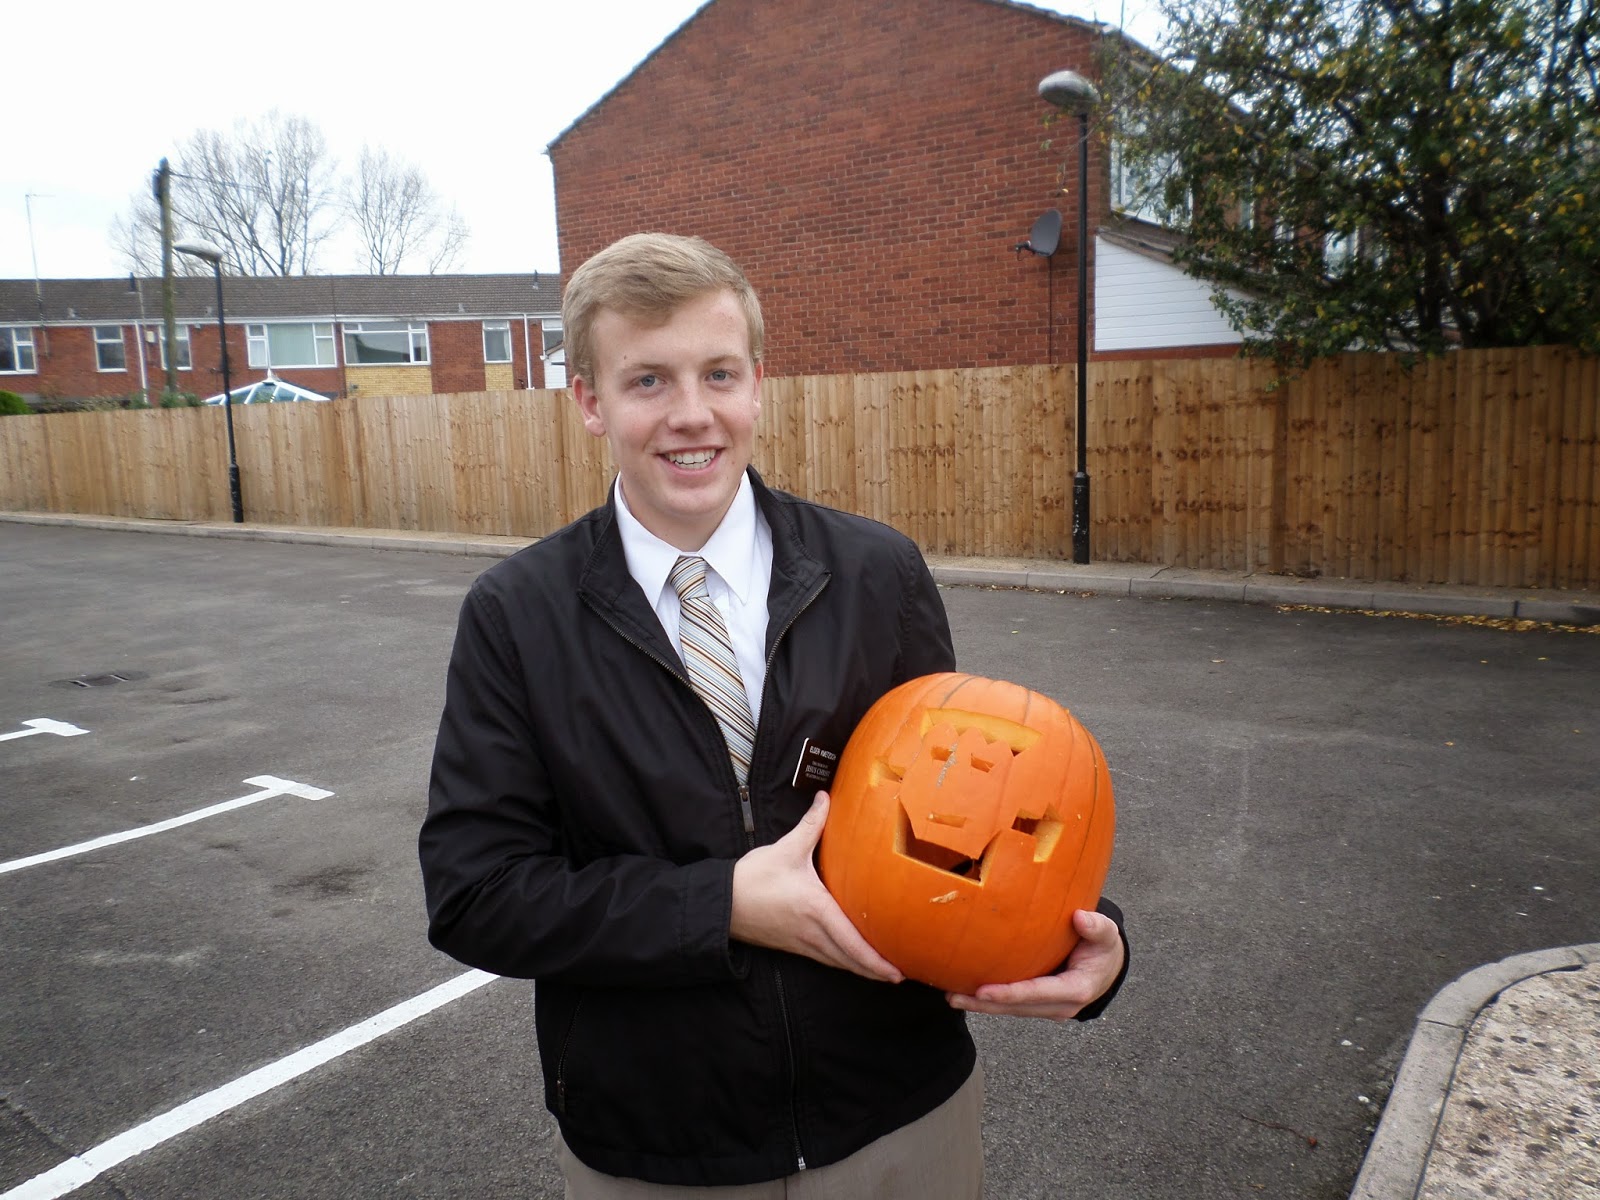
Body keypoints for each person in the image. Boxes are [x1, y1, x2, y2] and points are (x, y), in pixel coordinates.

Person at [419, 232, 1128, 1197]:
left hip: (899, 1115)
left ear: (758, 384)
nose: (692, 414)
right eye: (648, 381)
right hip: (661, 1149)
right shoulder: (516, 616)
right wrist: (720, 907)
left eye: (719, 373)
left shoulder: (877, 574)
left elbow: (968, 813)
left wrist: (1086, 940)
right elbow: (477, 893)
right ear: (589, 401)